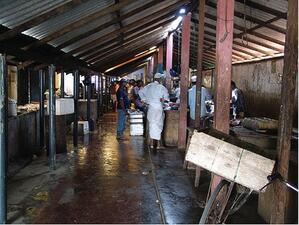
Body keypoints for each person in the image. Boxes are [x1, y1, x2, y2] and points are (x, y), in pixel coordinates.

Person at [139, 73, 169, 150]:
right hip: (158, 108)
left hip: (150, 108)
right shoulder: (161, 87)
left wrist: (144, 100)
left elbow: (140, 92)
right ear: (159, 79)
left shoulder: (148, 86)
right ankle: (159, 145)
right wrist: (162, 99)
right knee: (158, 125)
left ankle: (152, 144)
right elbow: (166, 99)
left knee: (152, 125)